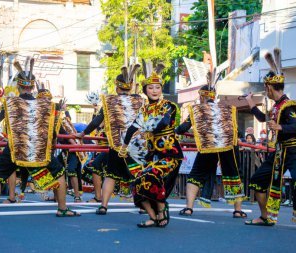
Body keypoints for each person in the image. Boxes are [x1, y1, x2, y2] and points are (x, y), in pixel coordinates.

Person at [0, 60, 80, 219]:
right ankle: (62, 208)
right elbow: (53, 129)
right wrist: (57, 143)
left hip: (16, 148)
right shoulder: (45, 104)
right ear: (33, 86)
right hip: (39, 149)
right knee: (60, 173)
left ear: (18, 86)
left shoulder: (9, 103)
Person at [244, 48, 296, 232]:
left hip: (294, 151)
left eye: (265, 88)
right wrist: (251, 103)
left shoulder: (289, 105)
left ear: (269, 87)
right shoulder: (276, 107)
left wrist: (280, 127)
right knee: (257, 181)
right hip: (279, 152)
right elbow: (263, 119)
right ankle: (265, 217)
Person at [120, 61, 183, 228]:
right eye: (151, 88)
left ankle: (162, 208)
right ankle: (152, 216)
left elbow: (164, 122)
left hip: (170, 154)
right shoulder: (144, 110)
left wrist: (150, 128)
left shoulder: (169, 106)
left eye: (157, 88)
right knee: (138, 182)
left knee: (150, 176)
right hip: (152, 155)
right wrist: (124, 147)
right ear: (145, 91)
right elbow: (131, 128)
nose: (155, 91)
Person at [76, 64, 142, 215]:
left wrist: (83, 133)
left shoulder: (109, 101)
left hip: (116, 145)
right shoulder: (139, 100)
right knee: (138, 175)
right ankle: (143, 206)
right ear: (130, 87)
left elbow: (96, 121)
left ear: (117, 87)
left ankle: (104, 205)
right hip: (135, 146)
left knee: (111, 176)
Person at [176, 84, 245, 218]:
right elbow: (237, 131)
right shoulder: (227, 109)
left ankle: (189, 208)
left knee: (196, 174)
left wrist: (175, 131)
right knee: (234, 175)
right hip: (228, 145)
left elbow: (184, 127)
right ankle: (238, 210)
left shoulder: (198, 110)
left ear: (201, 96)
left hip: (209, 145)